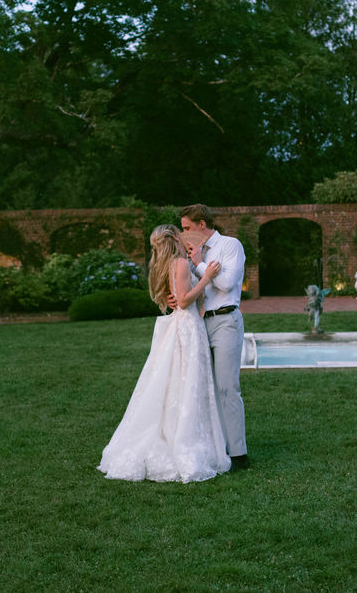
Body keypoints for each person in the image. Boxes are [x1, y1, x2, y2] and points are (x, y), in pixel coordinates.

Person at [97, 224, 232, 483]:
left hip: (183, 325)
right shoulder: (179, 263)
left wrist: (197, 267)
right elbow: (183, 300)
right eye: (180, 234)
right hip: (188, 328)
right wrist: (206, 276)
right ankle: (183, 438)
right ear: (173, 238)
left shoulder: (170, 264)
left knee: (179, 384)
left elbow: (175, 297)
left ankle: (177, 430)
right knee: (187, 383)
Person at [177, 204, 249, 469]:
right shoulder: (190, 253)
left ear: (202, 225)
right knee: (203, 388)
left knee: (227, 387)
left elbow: (226, 284)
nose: (184, 234)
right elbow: (188, 286)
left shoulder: (230, 245)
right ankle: (214, 448)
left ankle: (238, 453)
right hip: (197, 324)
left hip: (225, 321)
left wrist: (199, 264)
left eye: (187, 228)